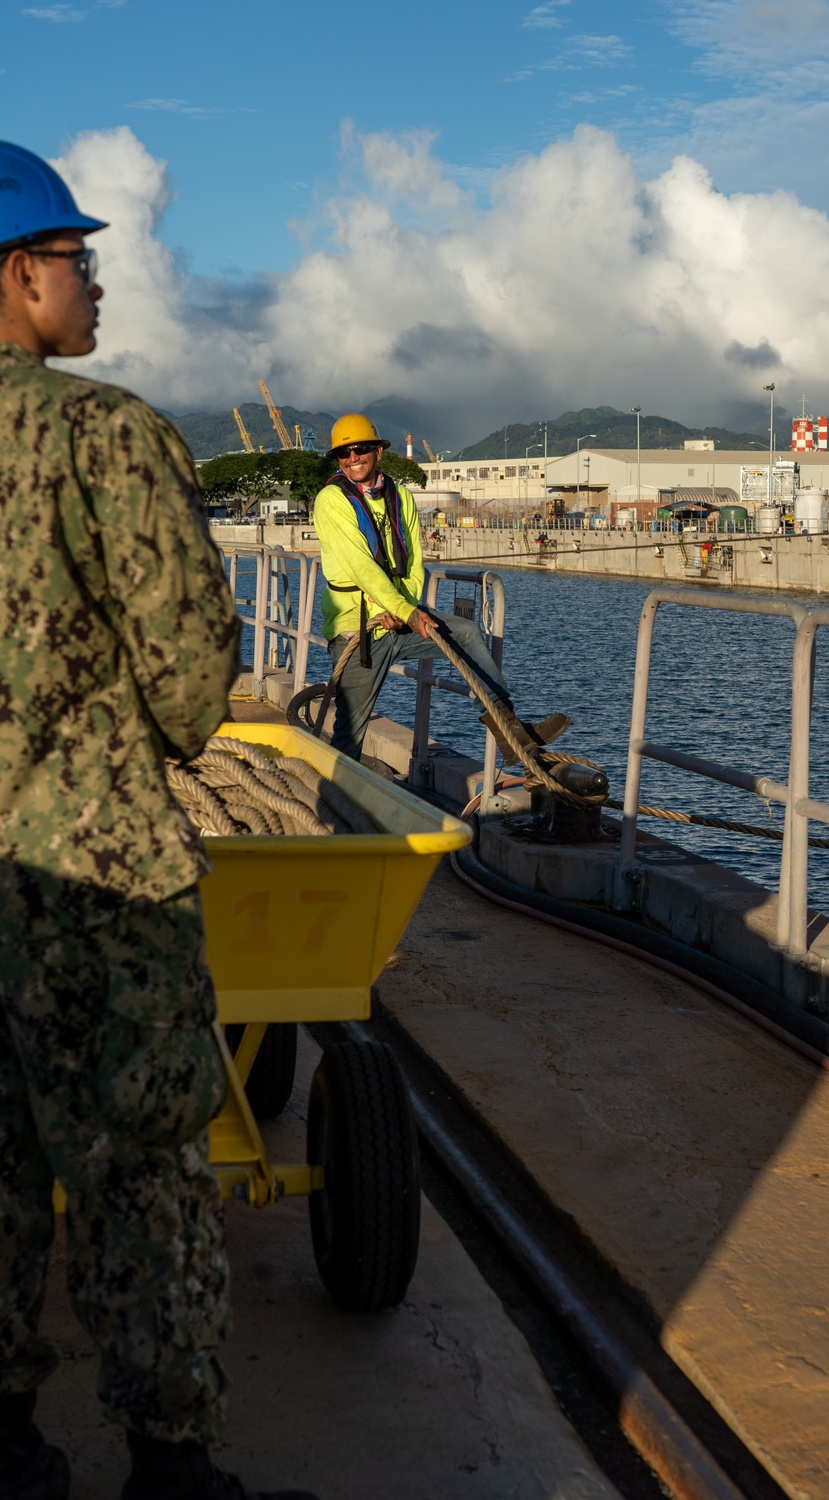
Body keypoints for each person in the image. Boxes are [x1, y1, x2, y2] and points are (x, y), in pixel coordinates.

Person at [0, 142, 317, 1500]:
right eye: (76, 256)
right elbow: (194, 677)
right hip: (94, 869)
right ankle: (170, 1462)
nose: (95, 280)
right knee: (142, 1161)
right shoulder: (102, 434)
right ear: (17, 277)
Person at [313, 414, 568, 762]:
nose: (353, 458)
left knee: (464, 634)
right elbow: (361, 566)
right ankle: (336, 799)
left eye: (361, 449)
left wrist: (407, 609)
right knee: (350, 732)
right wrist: (400, 611)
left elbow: (416, 561)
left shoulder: (400, 497)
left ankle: (509, 729)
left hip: (400, 620)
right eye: (345, 453)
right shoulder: (331, 499)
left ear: (378, 452)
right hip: (358, 632)